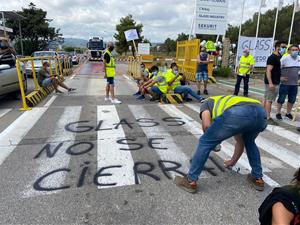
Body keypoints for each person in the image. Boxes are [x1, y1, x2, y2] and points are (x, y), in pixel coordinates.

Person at [174, 95, 267, 193]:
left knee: (205, 142)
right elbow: (240, 142)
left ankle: (190, 181)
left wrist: (213, 144)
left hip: (238, 113)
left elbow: (206, 126)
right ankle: (258, 178)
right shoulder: (230, 100)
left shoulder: (206, 103)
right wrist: (232, 162)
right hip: (261, 113)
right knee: (249, 142)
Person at [263, 41, 287, 125]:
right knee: (269, 100)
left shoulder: (279, 56)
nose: (284, 48)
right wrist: (270, 83)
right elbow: (268, 70)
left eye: (285, 47)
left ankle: (264, 115)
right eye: (283, 47)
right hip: (272, 82)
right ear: (277, 47)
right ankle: (268, 118)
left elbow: (276, 70)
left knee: (267, 98)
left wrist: (280, 78)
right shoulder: (272, 57)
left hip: (275, 81)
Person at [276, 45, 300, 121]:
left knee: (292, 100)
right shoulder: (284, 58)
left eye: (296, 50)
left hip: (295, 84)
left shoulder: (299, 59)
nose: (295, 51)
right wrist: (280, 77)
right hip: (285, 84)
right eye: (293, 50)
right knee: (281, 99)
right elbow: (276, 69)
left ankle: (288, 113)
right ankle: (278, 113)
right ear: (289, 51)